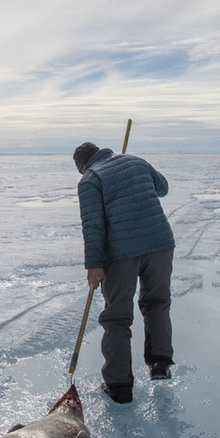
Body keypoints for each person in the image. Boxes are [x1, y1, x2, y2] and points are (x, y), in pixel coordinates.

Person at [73, 141, 175, 404]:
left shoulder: (90, 180)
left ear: (83, 166)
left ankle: (119, 385)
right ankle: (160, 365)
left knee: (117, 317)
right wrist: (134, 170)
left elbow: (93, 227)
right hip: (160, 245)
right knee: (157, 304)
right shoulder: (136, 161)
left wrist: (93, 266)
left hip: (122, 254)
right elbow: (162, 187)